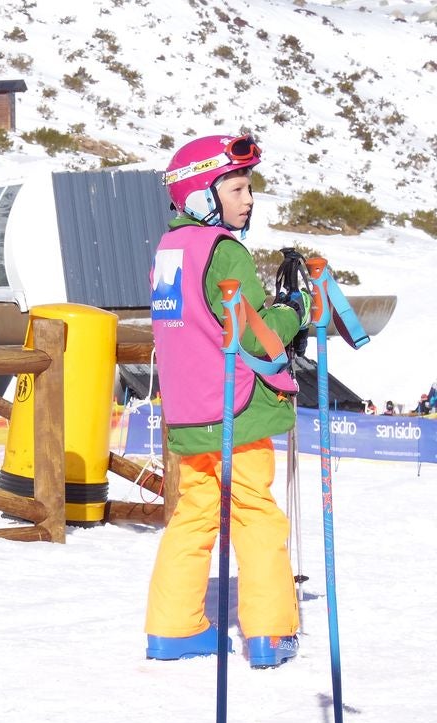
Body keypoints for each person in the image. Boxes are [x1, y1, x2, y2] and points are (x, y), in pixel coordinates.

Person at [146, 134, 307, 669]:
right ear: (200, 195)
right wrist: (295, 310)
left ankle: (173, 630)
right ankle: (269, 633)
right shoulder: (224, 248)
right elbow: (256, 334)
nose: (248, 199)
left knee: (193, 516)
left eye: (249, 187)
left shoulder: (170, 250)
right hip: (236, 409)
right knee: (255, 516)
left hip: (190, 411)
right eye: (236, 187)